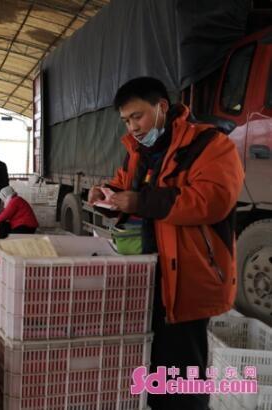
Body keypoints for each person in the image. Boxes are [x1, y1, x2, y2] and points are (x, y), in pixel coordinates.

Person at [89, 77, 244, 410]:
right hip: (148, 274)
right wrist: (106, 192)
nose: (133, 127)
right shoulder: (140, 152)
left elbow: (211, 200)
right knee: (155, 362)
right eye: (127, 121)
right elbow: (125, 183)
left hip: (188, 277)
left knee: (183, 370)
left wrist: (140, 203)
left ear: (161, 107)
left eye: (138, 117)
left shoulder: (209, 144)